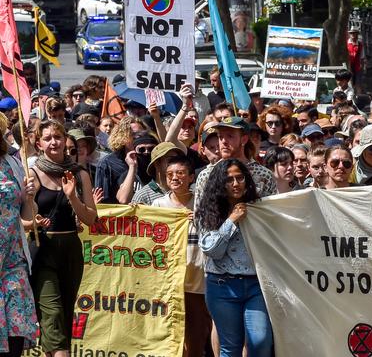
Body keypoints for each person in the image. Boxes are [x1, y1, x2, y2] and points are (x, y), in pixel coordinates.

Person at [31, 120, 97, 356]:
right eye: (47, 138)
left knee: (64, 316)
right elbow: (23, 218)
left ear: (65, 140)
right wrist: (33, 218)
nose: (53, 142)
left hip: (70, 248)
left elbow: (90, 218)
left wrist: (73, 198)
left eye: (57, 137)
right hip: (43, 249)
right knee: (52, 313)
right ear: (38, 144)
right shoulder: (33, 174)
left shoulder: (79, 174)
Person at [196, 159, 273, 357]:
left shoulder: (258, 208)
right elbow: (212, 250)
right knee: (231, 347)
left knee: (261, 342)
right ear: (220, 183)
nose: (236, 183)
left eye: (240, 178)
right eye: (229, 179)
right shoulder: (207, 211)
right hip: (222, 286)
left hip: (256, 285)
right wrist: (231, 221)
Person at [151, 156, 212, 357]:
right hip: (168, 283)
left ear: (191, 177)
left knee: (196, 335)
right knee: (170, 337)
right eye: (170, 175)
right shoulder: (158, 205)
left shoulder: (202, 203)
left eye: (180, 173)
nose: (175, 178)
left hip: (197, 281)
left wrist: (201, 220)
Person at [0, 113, 38, 356]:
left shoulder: (12, 163)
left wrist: (29, 197)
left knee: (16, 334)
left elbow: (27, 214)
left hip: (13, 263)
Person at [95, 116, 147, 203]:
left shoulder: (147, 159)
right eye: (133, 135)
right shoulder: (107, 163)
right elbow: (103, 201)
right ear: (122, 136)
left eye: (141, 135)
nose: (138, 138)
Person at [347, 26, 365, 93]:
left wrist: (362, 66)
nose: (353, 35)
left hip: (357, 66)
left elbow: (362, 56)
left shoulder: (360, 44)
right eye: (351, 33)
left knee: (358, 82)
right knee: (349, 81)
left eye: (354, 33)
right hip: (348, 65)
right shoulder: (347, 43)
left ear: (357, 34)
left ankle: (358, 96)